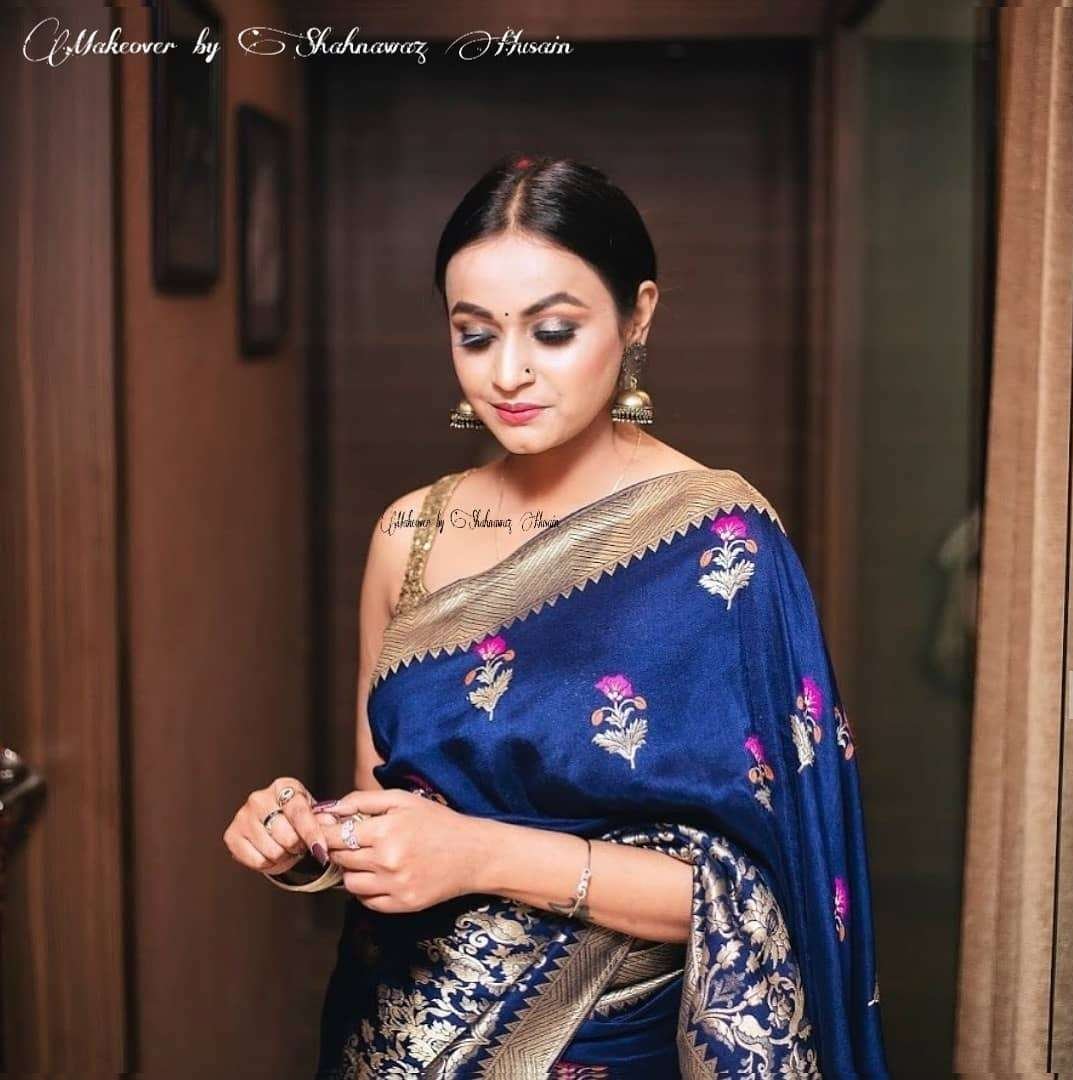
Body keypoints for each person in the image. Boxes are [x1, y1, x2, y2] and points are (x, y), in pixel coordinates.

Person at [223, 154, 890, 1079]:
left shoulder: (723, 546)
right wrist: (306, 841)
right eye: (474, 335)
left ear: (638, 314)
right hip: (404, 1036)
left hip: (613, 1050)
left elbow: (769, 893)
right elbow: (387, 819)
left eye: (553, 330)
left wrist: (482, 855)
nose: (509, 373)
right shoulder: (409, 535)